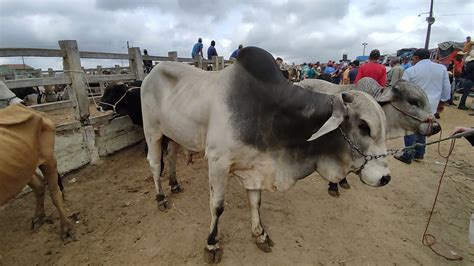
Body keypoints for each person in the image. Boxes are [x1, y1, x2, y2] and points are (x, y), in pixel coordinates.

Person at [394, 48, 451, 164]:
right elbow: (447, 87)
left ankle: (408, 154)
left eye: (413, 59)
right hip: (431, 105)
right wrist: (442, 102)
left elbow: (402, 89)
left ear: (416, 58)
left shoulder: (411, 70)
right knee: (424, 126)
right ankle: (419, 153)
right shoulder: (441, 69)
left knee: (410, 128)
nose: (412, 61)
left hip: (414, 106)